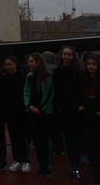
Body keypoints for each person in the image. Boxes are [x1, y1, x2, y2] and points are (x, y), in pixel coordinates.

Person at [53, 46, 84, 183]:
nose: (66, 56)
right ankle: (74, 167)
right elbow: (56, 92)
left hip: (76, 111)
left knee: (76, 141)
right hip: (63, 111)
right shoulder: (57, 71)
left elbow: (81, 90)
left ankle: (77, 166)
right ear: (61, 55)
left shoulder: (78, 71)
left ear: (73, 57)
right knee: (68, 141)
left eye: (69, 54)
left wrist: (80, 105)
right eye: (64, 54)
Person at [23, 52, 54, 178]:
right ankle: (42, 166)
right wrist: (28, 105)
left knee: (46, 142)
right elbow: (25, 92)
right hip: (33, 112)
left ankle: (49, 167)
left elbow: (50, 95)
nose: (29, 64)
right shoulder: (29, 76)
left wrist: (40, 108)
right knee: (37, 141)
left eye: (31, 61)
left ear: (38, 62)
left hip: (45, 113)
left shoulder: (47, 76)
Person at [0, 55, 31, 173]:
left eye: (10, 64)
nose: (8, 67)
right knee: (13, 138)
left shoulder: (23, 78)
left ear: (15, 64)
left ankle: (26, 161)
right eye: (6, 65)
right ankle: (17, 160)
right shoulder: (4, 79)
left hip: (22, 113)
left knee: (23, 138)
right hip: (9, 113)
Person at [82, 53, 100, 185]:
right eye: (89, 64)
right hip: (87, 117)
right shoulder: (84, 79)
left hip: (98, 117)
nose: (91, 67)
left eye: (93, 64)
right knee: (90, 146)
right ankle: (94, 168)